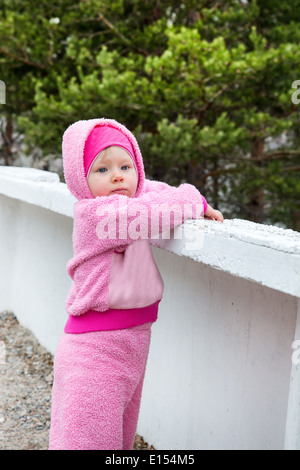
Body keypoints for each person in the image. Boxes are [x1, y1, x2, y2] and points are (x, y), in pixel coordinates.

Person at [49, 118, 223, 450]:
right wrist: (194, 199)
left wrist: (177, 195)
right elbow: (160, 209)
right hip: (94, 352)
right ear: (79, 179)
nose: (117, 175)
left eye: (126, 166)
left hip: (132, 347)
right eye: (101, 170)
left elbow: (151, 190)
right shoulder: (100, 216)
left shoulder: (129, 201)